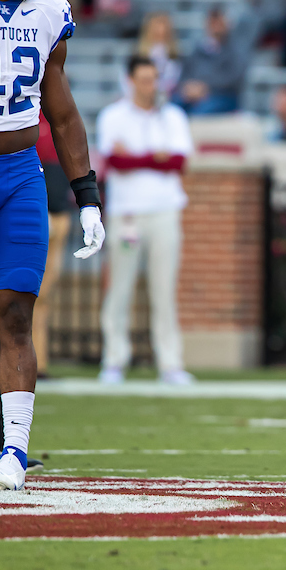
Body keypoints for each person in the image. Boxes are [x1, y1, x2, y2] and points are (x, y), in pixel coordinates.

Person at [0, 0, 107, 491]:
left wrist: (87, 193)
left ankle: (13, 450)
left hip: (19, 172)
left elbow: (60, 110)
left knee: (14, 310)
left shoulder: (47, 11)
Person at [97, 57, 195, 386]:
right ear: (130, 81)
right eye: (142, 79)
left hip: (165, 210)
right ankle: (114, 360)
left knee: (164, 289)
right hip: (127, 213)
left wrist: (140, 157)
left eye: (153, 79)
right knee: (120, 287)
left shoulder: (172, 116)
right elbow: (115, 160)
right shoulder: (114, 116)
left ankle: (170, 363)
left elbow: (180, 161)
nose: (148, 86)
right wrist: (156, 156)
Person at [31, 116, 73, 380]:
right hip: (37, 212)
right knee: (28, 292)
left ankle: (40, 362)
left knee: (44, 295)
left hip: (58, 213)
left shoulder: (57, 116)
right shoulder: (25, 114)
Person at [175, 6, 257, 114]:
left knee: (199, 113)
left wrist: (205, 88)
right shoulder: (199, 48)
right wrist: (188, 87)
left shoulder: (236, 48)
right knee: (173, 108)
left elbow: (234, 77)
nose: (215, 26)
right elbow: (185, 73)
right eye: (212, 22)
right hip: (194, 94)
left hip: (224, 96)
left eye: (218, 21)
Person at [134, 11, 182, 96]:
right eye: (156, 33)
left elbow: (173, 83)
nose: (160, 33)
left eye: (164, 33)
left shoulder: (175, 59)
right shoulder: (137, 58)